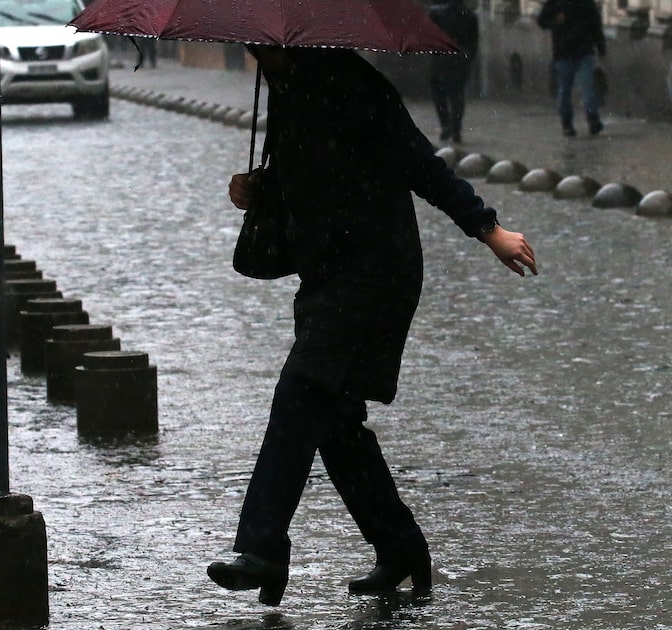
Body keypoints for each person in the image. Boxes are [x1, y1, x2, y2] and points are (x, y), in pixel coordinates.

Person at [207, 45, 538, 607]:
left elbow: (420, 165)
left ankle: (262, 549)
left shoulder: (351, 82)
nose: (252, 50)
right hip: (326, 278)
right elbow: (313, 175)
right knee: (334, 422)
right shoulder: (284, 89)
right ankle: (401, 545)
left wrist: (488, 229)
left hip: (376, 274)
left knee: (300, 395)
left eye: (259, 43)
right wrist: (258, 187)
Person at [537, 0, 607, 137]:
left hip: (584, 51)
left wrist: (600, 46)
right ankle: (567, 122)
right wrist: (555, 22)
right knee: (565, 90)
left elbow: (595, 24)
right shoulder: (556, 3)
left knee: (588, 87)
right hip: (563, 53)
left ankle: (593, 119)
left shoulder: (586, 3)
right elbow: (541, 21)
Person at [427, 0, 479, 143]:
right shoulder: (470, 16)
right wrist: (468, 58)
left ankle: (445, 125)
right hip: (459, 58)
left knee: (439, 94)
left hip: (441, 58)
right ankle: (456, 128)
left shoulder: (437, 14)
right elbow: (474, 41)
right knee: (457, 95)